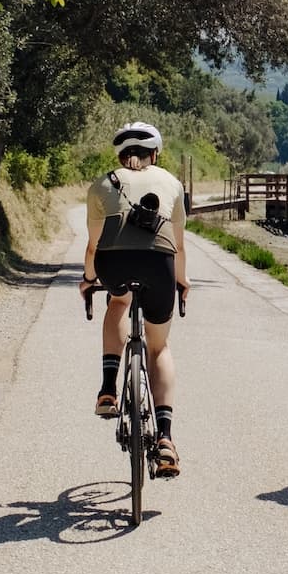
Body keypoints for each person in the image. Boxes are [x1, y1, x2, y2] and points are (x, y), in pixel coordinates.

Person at [83, 121, 190, 477]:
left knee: (118, 302)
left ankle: (108, 389)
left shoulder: (102, 184)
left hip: (113, 263)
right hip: (159, 263)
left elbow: (93, 245)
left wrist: (87, 280)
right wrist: (183, 281)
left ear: (120, 154)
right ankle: (164, 439)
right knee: (158, 348)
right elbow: (179, 243)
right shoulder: (171, 183)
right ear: (155, 153)